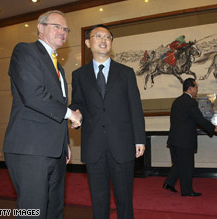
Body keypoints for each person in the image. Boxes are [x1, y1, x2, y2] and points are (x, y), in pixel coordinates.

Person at [3, 10, 82, 218]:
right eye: (57, 26)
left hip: (54, 151)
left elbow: (54, 107)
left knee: (54, 210)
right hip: (30, 149)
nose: (62, 32)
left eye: (66, 29)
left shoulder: (59, 68)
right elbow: (33, 95)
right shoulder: (25, 51)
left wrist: (64, 142)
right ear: (40, 28)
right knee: (33, 211)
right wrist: (70, 114)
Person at [70, 24, 146, 219]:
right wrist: (75, 116)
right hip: (93, 145)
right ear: (88, 42)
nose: (104, 40)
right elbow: (78, 104)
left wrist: (140, 139)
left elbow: (135, 107)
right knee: (99, 200)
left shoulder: (126, 72)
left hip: (122, 144)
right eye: (98, 36)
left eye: (108, 37)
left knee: (124, 200)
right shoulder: (79, 75)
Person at [163, 78, 217, 197]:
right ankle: (187, 191)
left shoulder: (176, 101)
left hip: (174, 139)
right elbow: (200, 120)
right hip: (185, 141)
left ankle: (169, 183)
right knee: (187, 166)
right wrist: (213, 128)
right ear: (190, 88)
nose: (197, 90)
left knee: (178, 163)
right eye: (196, 87)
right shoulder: (190, 102)